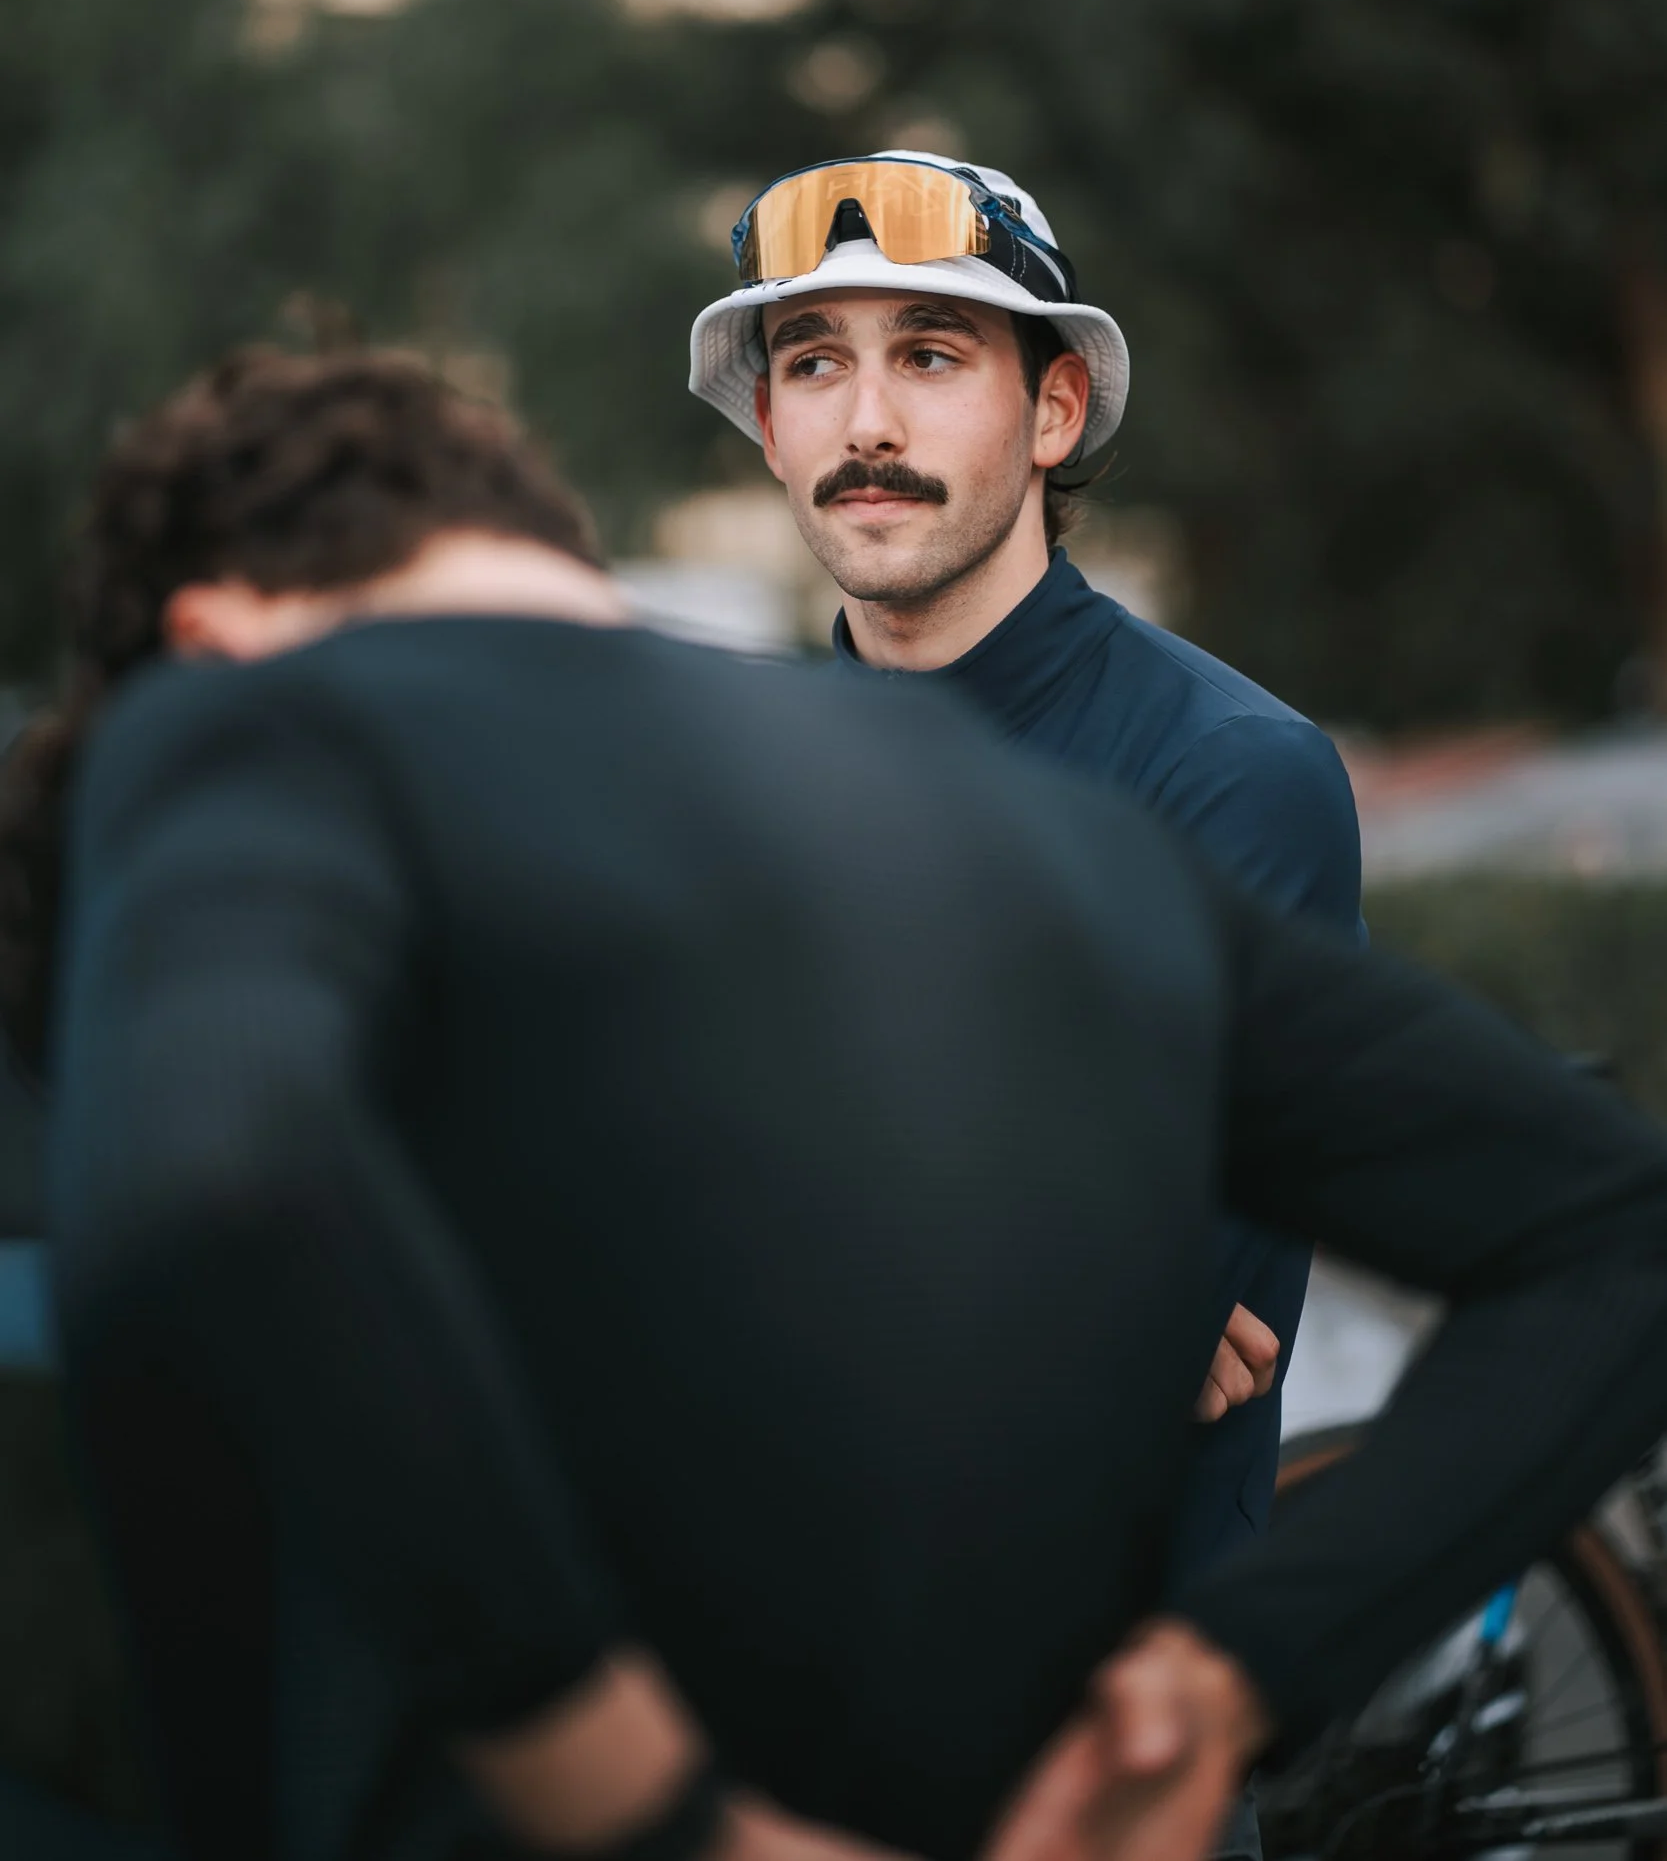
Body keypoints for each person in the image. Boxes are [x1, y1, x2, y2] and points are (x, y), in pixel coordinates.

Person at [17, 348, 1667, 1861]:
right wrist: (1230, 1678)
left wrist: (655, 1812)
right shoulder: (1041, 834)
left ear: (209, 634)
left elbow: (227, 1177)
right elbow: (1611, 1231)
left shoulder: (254, 720)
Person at [688, 151, 1356, 1587]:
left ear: (1052, 409)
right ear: (765, 422)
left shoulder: (1228, 772)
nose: (865, 422)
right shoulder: (726, 780)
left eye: (929, 357)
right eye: (812, 365)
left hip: (1098, 1713)